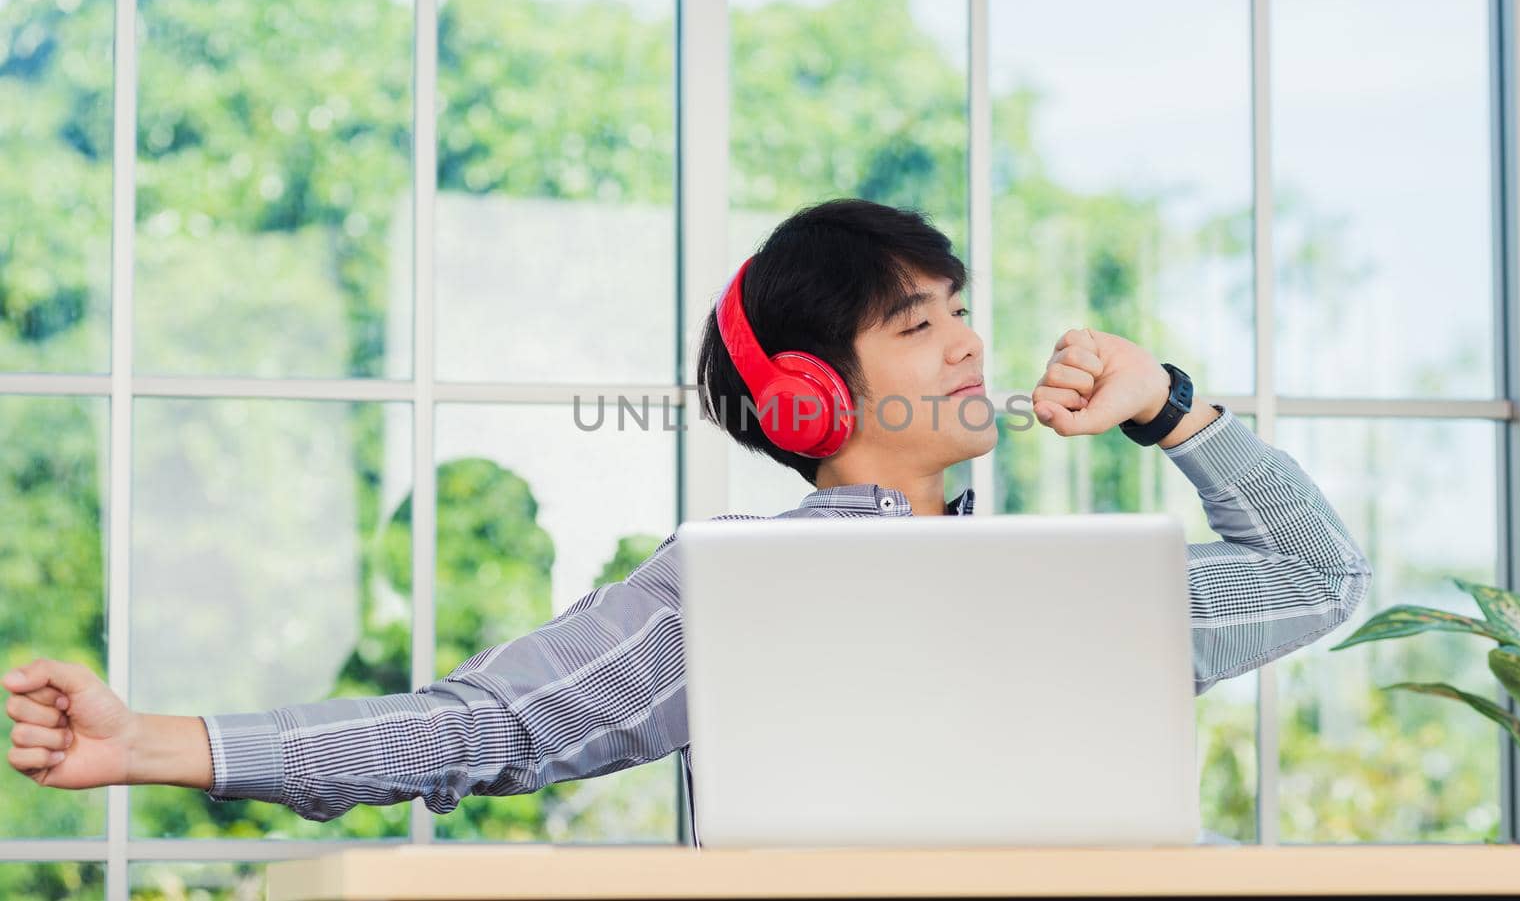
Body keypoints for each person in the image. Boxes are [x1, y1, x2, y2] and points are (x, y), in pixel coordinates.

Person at [4, 198, 1371, 845]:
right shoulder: (736, 585)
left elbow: (1322, 578)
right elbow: (487, 728)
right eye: (919, 324)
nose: (968, 349)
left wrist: (1174, 407)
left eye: (962, 312)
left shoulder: (1081, 592)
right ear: (808, 391)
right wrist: (155, 742)